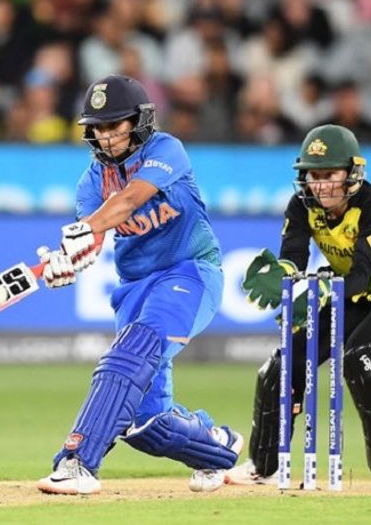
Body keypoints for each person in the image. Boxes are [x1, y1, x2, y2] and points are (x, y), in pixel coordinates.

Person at [35, 74, 243, 495]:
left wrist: (85, 229)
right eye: (98, 127)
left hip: (189, 272)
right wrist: (66, 261)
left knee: (132, 352)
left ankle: (77, 462)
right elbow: (91, 240)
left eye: (115, 125)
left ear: (139, 121)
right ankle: (217, 447)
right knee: (143, 423)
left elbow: (130, 199)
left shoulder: (166, 150)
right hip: (134, 287)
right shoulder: (91, 182)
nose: (105, 136)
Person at [226, 124, 371, 489]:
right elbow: (293, 258)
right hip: (350, 292)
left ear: (352, 174)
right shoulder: (301, 205)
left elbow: (362, 273)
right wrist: (283, 276)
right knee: (283, 364)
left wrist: (324, 289)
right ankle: (263, 465)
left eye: (330, 175)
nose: (321, 185)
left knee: (362, 355)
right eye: (314, 176)